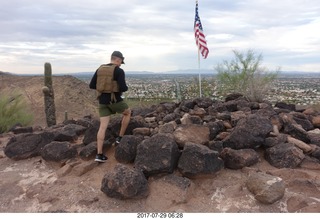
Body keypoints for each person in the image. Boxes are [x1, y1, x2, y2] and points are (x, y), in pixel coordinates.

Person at [89, 51, 131, 163]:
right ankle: (120, 137)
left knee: (102, 127)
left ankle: (99, 154)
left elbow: (92, 85)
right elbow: (123, 87)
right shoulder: (119, 71)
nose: (121, 64)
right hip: (115, 101)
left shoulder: (100, 69)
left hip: (102, 101)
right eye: (121, 61)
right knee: (127, 113)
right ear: (118, 59)